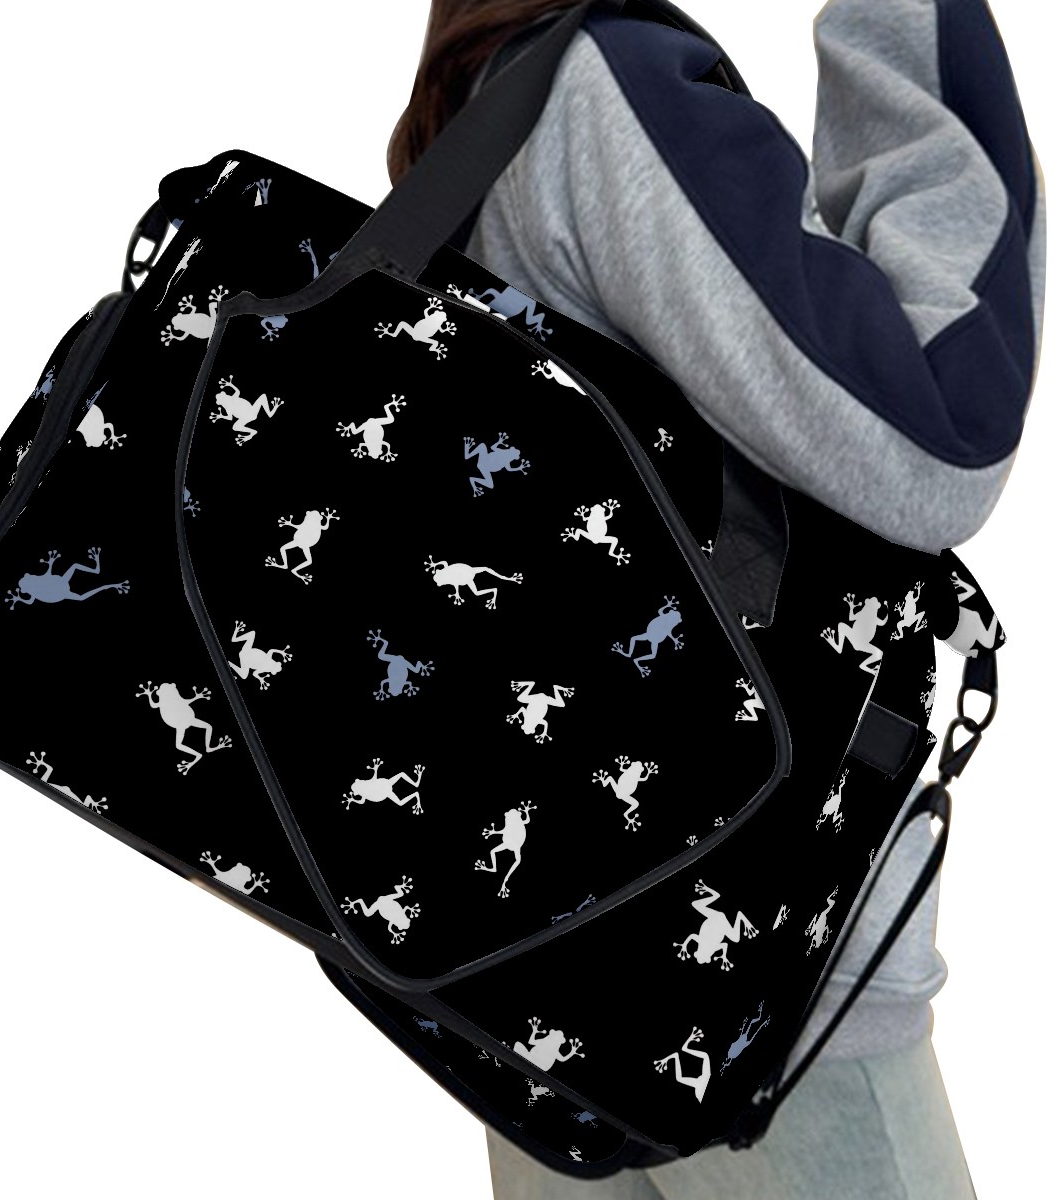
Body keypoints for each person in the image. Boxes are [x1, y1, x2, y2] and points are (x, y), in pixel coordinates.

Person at [385, 1, 1046, 1197]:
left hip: (524, 980)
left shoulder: (474, 126)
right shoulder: (609, 91)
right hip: (757, 1001)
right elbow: (939, 432)